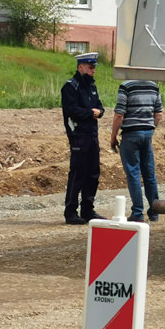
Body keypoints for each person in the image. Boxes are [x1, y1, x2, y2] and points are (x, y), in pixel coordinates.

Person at [61, 52, 105, 225]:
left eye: (94, 67)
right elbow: (71, 110)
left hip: (92, 134)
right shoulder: (71, 87)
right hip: (78, 135)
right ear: (81, 67)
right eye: (90, 67)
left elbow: (99, 106)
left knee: (93, 173)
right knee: (78, 174)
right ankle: (70, 211)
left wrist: (99, 112)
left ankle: (88, 209)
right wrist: (90, 113)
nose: (93, 70)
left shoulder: (91, 86)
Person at [110, 80, 163, 223]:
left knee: (133, 173)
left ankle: (138, 213)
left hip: (130, 134)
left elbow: (119, 115)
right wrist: (150, 129)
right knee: (149, 174)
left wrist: (113, 136)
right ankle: (154, 211)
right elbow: (158, 114)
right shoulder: (153, 86)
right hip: (147, 134)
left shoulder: (126, 86)